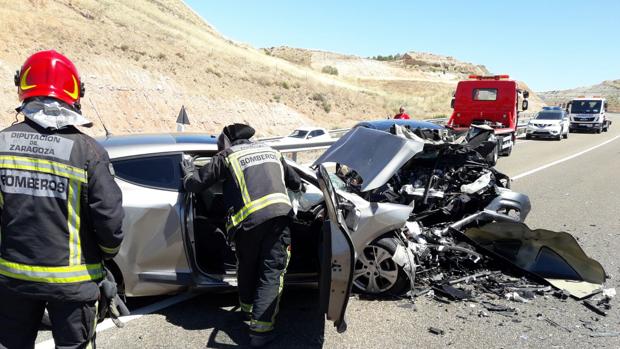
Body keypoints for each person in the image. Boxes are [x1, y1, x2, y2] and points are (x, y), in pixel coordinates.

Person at [0, 50, 124, 349]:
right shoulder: (88, 151)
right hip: (73, 286)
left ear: (24, 88)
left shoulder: (1, 144)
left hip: (12, 281)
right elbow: (109, 221)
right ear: (74, 92)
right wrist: (106, 254)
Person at [182, 123, 303, 347]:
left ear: (226, 141)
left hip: (246, 226)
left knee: (247, 267)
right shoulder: (272, 152)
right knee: (271, 273)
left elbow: (195, 184)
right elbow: (297, 183)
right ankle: (261, 332)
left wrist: (188, 170)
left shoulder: (227, 157)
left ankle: (247, 310)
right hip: (278, 221)